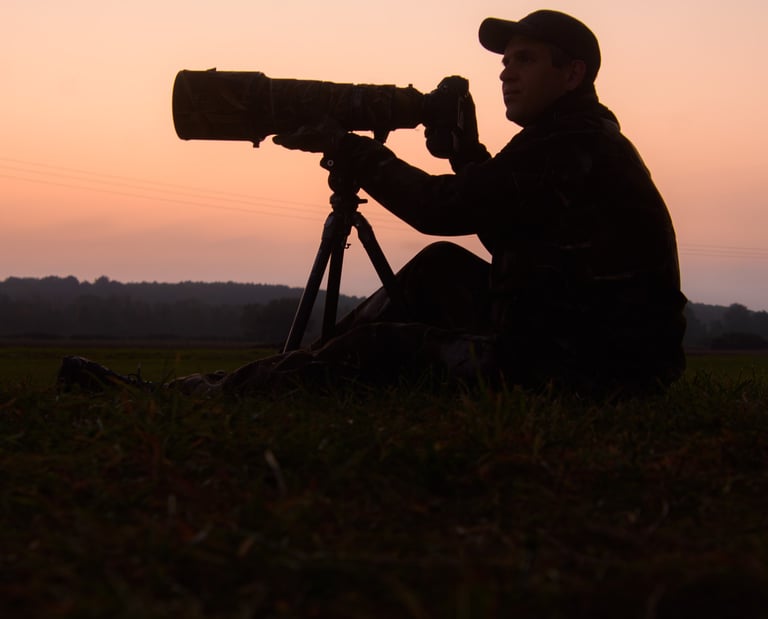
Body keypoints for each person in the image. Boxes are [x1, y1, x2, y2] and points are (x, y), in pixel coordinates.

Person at [58, 10, 686, 399]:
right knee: (441, 265)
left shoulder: (573, 144)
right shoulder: (569, 140)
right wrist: (465, 151)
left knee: (381, 349)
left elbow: (443, 209)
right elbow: (512, 229)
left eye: (524, 61)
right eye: (504, 61)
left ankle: (188, 399)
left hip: (594, 370)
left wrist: (351, 151)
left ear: (572, 74)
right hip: (584, 337)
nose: (505, 73)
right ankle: (274, 379)